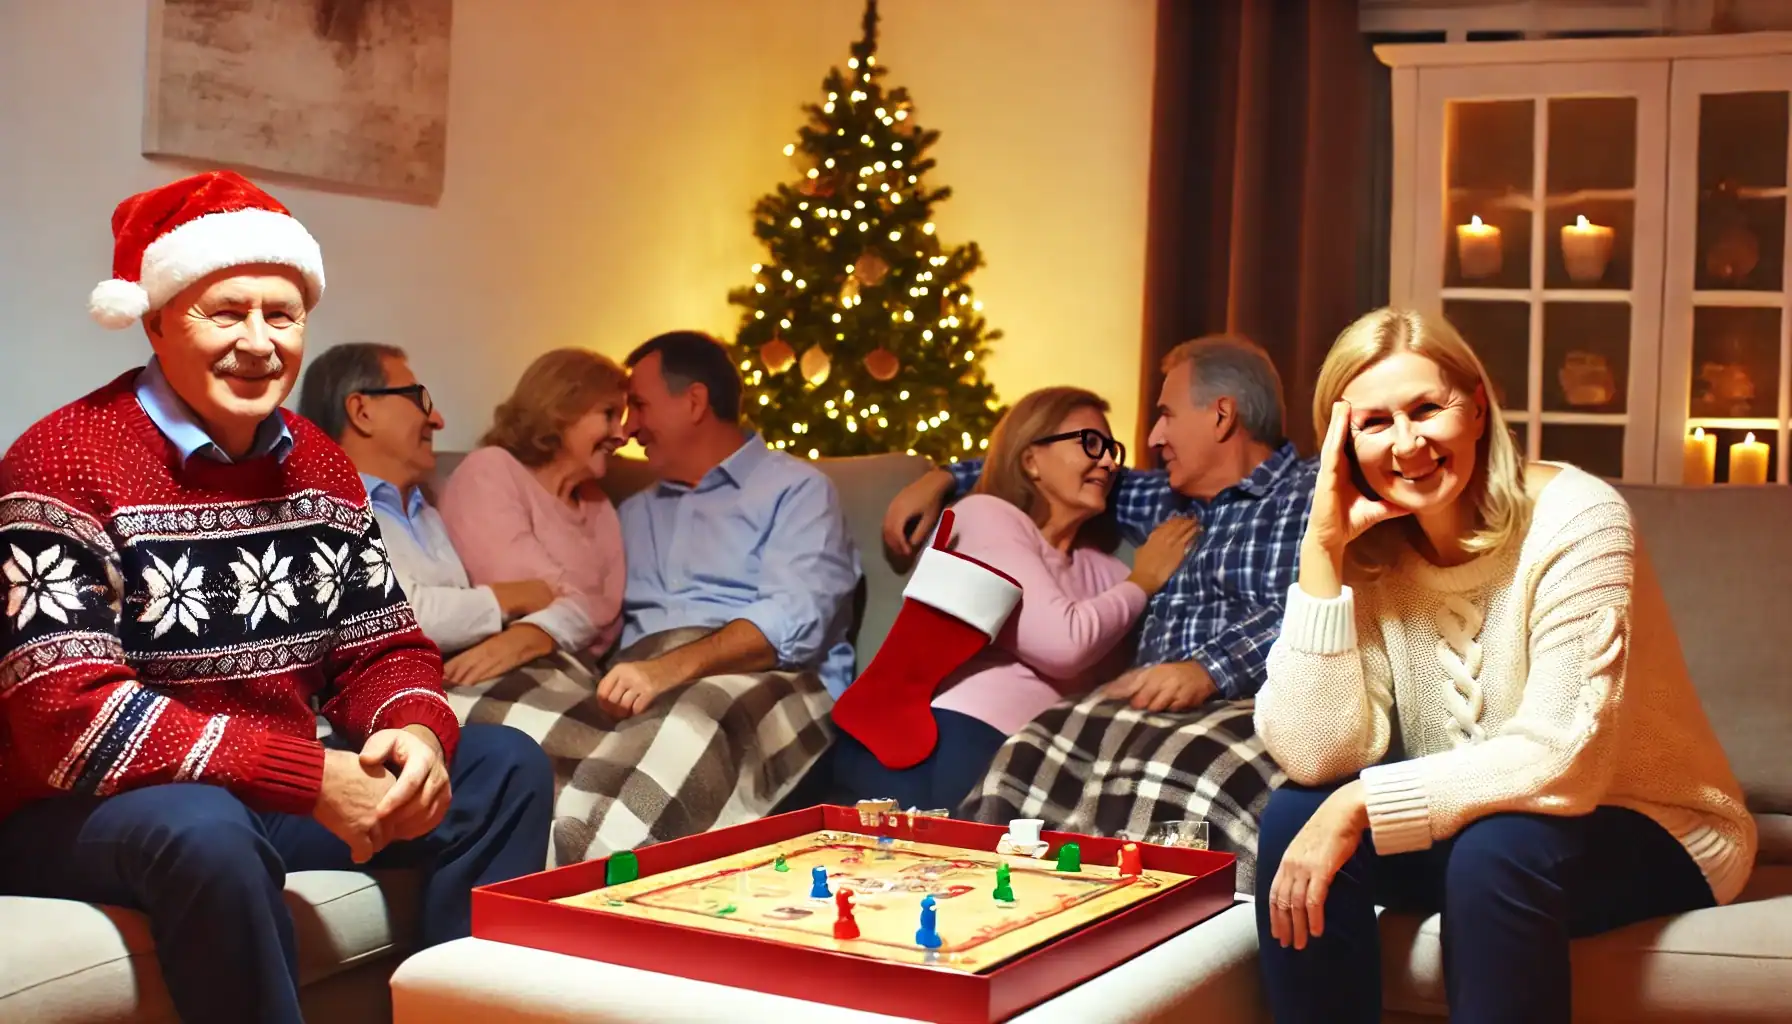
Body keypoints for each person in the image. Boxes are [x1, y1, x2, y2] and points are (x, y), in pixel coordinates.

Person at [0, 171, 552, 1024]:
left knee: (505, 766)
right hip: (76, 810)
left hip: (264, 793)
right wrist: (308, 777)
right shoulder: (63, 462)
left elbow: (384, 647)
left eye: (282, 315)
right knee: (204, 826)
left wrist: (414, 733)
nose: (258, 343)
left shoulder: (321, 464)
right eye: (226, 312)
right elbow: (69, 722)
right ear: (155, 320)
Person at [1253, 308, 1756, 1024]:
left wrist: (1360, 802)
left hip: (1649, 823)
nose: (1407, 444)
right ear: (1343, 443)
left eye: (1427, 408)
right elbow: (1315, 754)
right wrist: (1322, 556)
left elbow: (1561, 755)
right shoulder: (1368, 551)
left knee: (1495, 851)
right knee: (1292, 815)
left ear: (1478, 407)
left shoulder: (1579, 517)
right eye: (1374, 423)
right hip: (1474, 823)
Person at [882, 336, 1314, 889]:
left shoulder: (1309, 492)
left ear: (1222, 415)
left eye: (1165, 415)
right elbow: (1045, 463)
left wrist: (1206, 669)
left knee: (1171, 777)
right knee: (1024, 766)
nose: (1153, 438)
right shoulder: (1164, 497)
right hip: (1133, 706)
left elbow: (1326, 603)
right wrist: (939, 477)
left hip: (1242, 702)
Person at [831, 387, 1196, 810]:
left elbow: (1109, 679)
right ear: (1030, 460)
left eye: (1112, 449)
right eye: (1090, 443)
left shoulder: (1107, 571)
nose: (1110, 462)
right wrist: (1143, 582)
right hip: (944, 739)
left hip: (1039, 754)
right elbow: (1066, 644)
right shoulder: (985, 517)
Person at [599, 330, 860, 716]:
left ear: (694, 402)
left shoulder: (798, 492)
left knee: (687, 723)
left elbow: (793, 619)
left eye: (638, 405)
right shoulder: (632, 513)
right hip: (639, 688)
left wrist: (666, 671)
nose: (628, 428)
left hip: (767, 686)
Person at [298, 342, 564, 683]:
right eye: (417, 399)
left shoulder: (427, 508)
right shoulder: (322, 509)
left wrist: (529, 630)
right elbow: (391, 615)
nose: (437, 420)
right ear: (362, 411)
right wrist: (504, 599)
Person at [437, 348, 629, 676]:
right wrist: (571, 617)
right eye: (609, 414)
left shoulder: (598, 504)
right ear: (560, 409)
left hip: (578, 671)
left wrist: (554, 625)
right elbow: (522, 589)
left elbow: (609, 618)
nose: (621, 436)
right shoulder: (491, 470)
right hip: (496, 665)